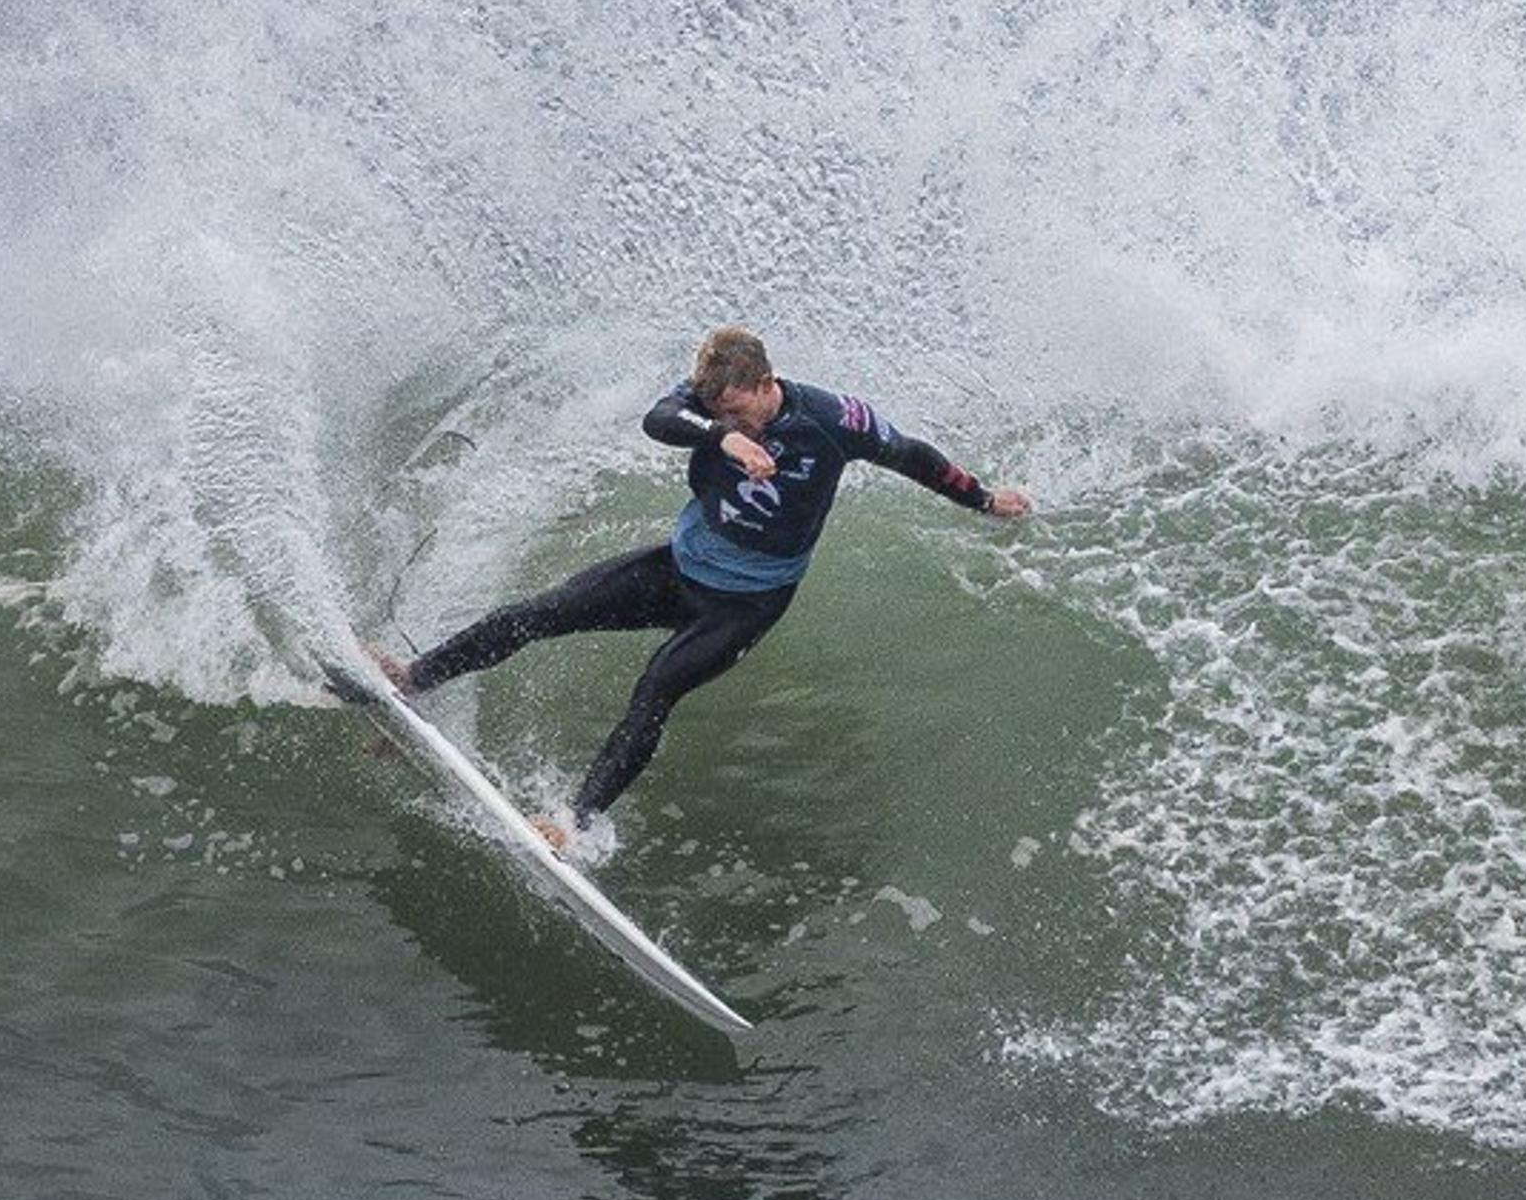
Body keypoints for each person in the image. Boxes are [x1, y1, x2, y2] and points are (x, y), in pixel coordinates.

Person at [358, 327, 1033, 848]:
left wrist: (982, 500)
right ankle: (416, 678)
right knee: (540, 612)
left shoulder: (834, 421)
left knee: (656, 689)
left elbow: (913, 454)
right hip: (675, 568)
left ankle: (571, 822)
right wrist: (725, 437)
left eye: (741, 411)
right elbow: (660, 419)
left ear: (767, 383)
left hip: (744, 604)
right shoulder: (708, 407)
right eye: (718, 411)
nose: (731, 422)